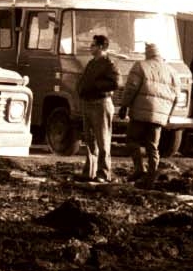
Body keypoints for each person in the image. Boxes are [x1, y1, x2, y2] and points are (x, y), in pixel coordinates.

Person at [124, 41, 180, 187]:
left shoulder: (141, 66)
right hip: (160, 116)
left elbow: (131, 88)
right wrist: (168, 115)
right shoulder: (172, 71)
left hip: (140, 113)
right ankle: (151, 176)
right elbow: (177, 97)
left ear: (148, 52)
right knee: (152, 145)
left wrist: (124, 105)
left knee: (131, 140)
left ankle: (139, 168)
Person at [75, 33, 122, 183]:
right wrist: (81, 89)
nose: (90, 47)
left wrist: (96, 86)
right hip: (88, 103)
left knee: (103, 141)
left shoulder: (109, 64)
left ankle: (103, 173)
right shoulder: (92, 63)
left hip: (101, 104)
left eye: (93, 45)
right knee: (90, 140)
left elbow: (116, 83)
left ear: (101, 47)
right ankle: (90, 172)